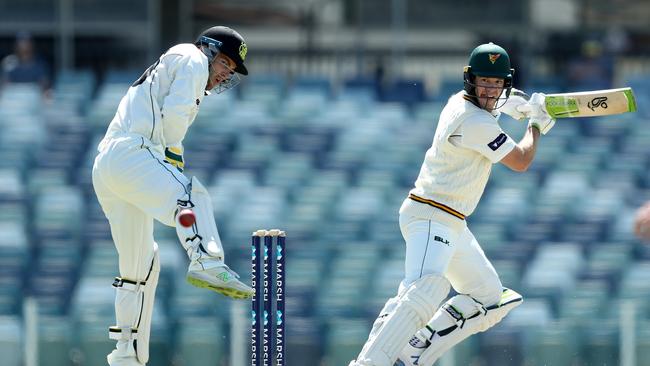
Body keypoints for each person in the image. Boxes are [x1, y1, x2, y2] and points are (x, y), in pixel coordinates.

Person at [348, 42, 556, 366]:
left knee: (491, 298)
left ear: (505, 84)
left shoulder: (464, 104)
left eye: (496, 83)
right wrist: (536, 125)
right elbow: (521, 161)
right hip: (432, 215)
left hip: (452, 222)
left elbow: (494, 106)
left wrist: (521, 104)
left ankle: (417, 348)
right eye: (483, 82)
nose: (488, 90)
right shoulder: (474, 121)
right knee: (424, 290)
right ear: (469, 80)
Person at [91, 26, 253, 366]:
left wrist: (171, 158)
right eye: (224, 62)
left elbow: (170, 123)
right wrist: (174, 160)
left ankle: (125, 354)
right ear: (208, 50)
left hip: (109, 165)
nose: (225, 73)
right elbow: (174, 119)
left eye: (231, 70)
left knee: (141, 265)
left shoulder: (180, 62)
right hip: (132, 152)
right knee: (192, 196)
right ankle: (207, 260)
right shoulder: (192, 59)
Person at [0, 31, 51, 96]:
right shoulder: (9, 62)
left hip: (34, 100)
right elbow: (4, 87)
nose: (24, 45)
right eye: (21, 41)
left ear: (31, 44)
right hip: (14, 100)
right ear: (16, 45)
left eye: (27, 41)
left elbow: (45, 87)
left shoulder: (40, 65)